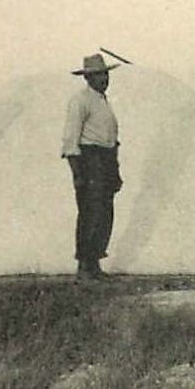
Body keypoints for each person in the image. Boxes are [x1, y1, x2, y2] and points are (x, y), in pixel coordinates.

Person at [61, 53, 122, 278]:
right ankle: (84, 264)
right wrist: (77, 172)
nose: (104, 79)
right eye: (98, 75)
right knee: (91, 210)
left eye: (105, 74)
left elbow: (109, 137)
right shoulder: (80, 101)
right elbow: (70, 138)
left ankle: (95, 261)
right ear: (87, 78)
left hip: (106, 158)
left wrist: (115, 169)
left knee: (105, 211)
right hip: (89, 158)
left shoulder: (103, 101)